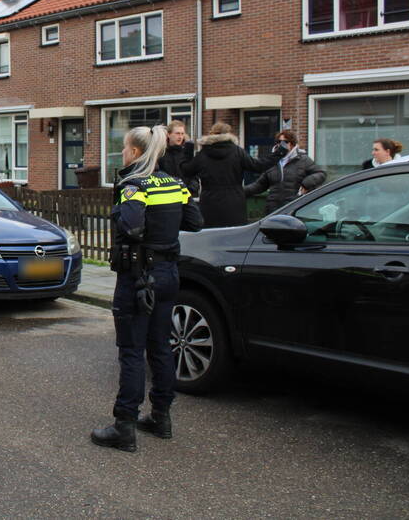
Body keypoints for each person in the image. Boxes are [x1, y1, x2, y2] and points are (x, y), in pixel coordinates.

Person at [91, 125, 203, 453]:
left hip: (139, 277)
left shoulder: (134, 185)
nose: (123, 153)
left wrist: (126, 212)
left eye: (125, 148)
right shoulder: (175, 184)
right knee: (161, 347)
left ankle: (124, 426)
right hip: (168, 275)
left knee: (131, 351)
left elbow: (131, 226)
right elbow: (194, 222)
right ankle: (160, 417)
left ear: (136, 152)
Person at [181, 122, 281, 228]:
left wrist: (188, 150)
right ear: (229, 134)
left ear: (212, 134)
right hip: (234, 203)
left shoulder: (203, 154)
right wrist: (279, 153)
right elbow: (258, 166)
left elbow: (186, 171)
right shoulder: (237, 152)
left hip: (210, 204)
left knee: (211, 235)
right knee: (235, 235)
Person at [244, 130, 326, 215]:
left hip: (294, 208)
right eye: (279, 142)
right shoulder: (272, 161)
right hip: (273, 210)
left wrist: (306, 183)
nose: (281, 144)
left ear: (292, 143)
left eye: (285, 142)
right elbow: (259, 185)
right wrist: (240, 191)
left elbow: (321, 174)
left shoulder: (303, 160)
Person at [157, 120, 197, 195]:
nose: (180, 137)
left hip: (186, 195)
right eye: (177, 133)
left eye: (182, 134)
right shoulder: (161, 154)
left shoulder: (187, 154)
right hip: (168, 194)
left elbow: (194, 176)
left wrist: (191, 189)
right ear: (169, 134)